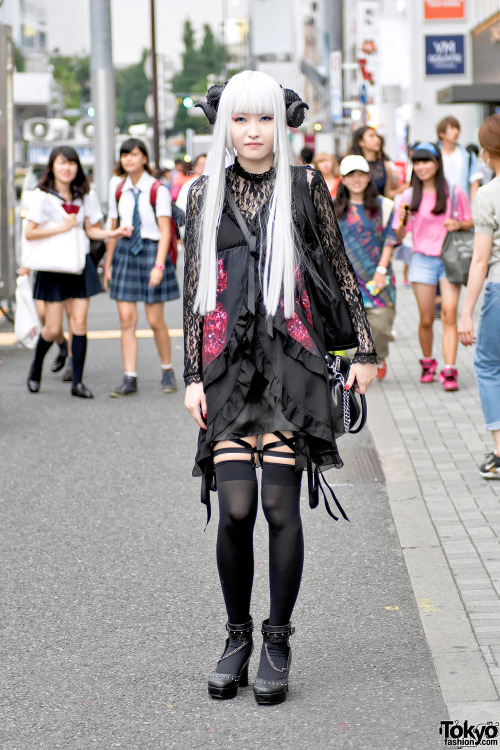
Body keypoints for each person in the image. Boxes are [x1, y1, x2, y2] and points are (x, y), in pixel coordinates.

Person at [183, 70, 377, 705]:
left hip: (292, 363)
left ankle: (277, 638)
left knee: (279, 509)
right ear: (224, 124)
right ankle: (236, 635)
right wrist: (191, 375)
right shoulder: (202, 193)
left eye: (264, 118)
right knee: (237, 507)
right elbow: (194, 293)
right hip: (228, 368)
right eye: (240, 119)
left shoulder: (306, 186)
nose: (252, 131)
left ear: (282, 122)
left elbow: (339, 268)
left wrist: (363, 351)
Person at [24, 146, 128, 398]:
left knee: (79, 323)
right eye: (61, 163)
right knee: (51, 329)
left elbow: (91, 229)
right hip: (53, 267)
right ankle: (36, 367)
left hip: (79, 265)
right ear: (52, 166)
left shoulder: (85, 195)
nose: (67, 168)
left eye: (71, 163)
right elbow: (30, 232)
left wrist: (111, 233)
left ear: (77, 167)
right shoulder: (42, 196)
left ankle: (77, 383)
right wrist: (62, 227)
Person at [104, 138, 180, 397]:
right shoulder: (117, 188)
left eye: (134, 154)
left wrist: (159, 265)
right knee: (126, 320)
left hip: (151, 251)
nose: (128, 159)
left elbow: (165, 231)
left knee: (154, 320)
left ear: (144, 158)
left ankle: (167, 369)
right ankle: (129, 377)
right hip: (125, 251)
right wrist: (108, 264)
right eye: (124, 155)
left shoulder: (156, 189)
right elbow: (113, 228)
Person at [394, 142, 472, 391]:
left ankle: (449, 369)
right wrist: (404, 217)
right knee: (426, 318)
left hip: (448, 260)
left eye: (427, 161)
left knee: (449, 313)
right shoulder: (407, 197)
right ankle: (428, 362)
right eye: (417, 162)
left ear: (437, 163)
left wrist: (458, 225)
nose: (422, 167)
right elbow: (399, 233)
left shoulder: (454, 191)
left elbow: (470, 221)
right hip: (421, 261)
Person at [458, 115, 500, 478]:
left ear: (487, 153)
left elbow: (482, 260)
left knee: (489, 366)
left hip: (499, 291)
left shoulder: (487, 194)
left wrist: (465, 312)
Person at [335, 155, 397, 379]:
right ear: (342, 179)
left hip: (378, 278)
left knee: (380, 326)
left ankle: (378, 357)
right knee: (352, 331)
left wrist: (381, 270)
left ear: (369, 177)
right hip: (346, 281)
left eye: (361, 174)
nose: (357, 179)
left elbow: (390, 239)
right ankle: (358, 370)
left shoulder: (384, 206)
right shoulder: (332, 207)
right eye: (351, 175)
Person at [436, 116, 483, 201]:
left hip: (462, 207)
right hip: (439, 205)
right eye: (452, 128)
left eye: (457, 128)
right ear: (441, 133)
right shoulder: (434, 156)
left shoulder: (468, 155)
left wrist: (472, 208)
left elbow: (474, 183)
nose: (456, 131)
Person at [350, 126, 393, 198]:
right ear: (361, 142)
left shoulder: (385, 165)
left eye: (377, 136)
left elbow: (388, 194)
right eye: (371, 136)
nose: (377, 139)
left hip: (379, 208)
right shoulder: (352, 165)